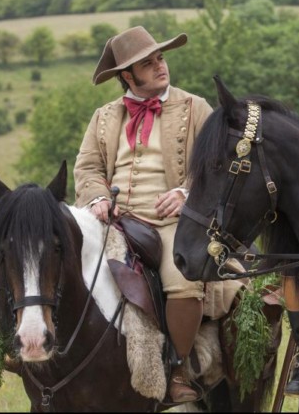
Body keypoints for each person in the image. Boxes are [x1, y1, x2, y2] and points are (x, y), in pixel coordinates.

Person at [73, 26, 212, 403]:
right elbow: (87, 168)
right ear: (126, 77)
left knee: (183, 281)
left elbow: (217, 166)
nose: (159, 67)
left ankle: (178, 368)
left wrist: (186, 193)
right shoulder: (103, 116)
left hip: (171, 223)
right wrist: (97, 198)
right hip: (113, 221)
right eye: (147, 63)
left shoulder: (194, 107)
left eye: (160, 58)